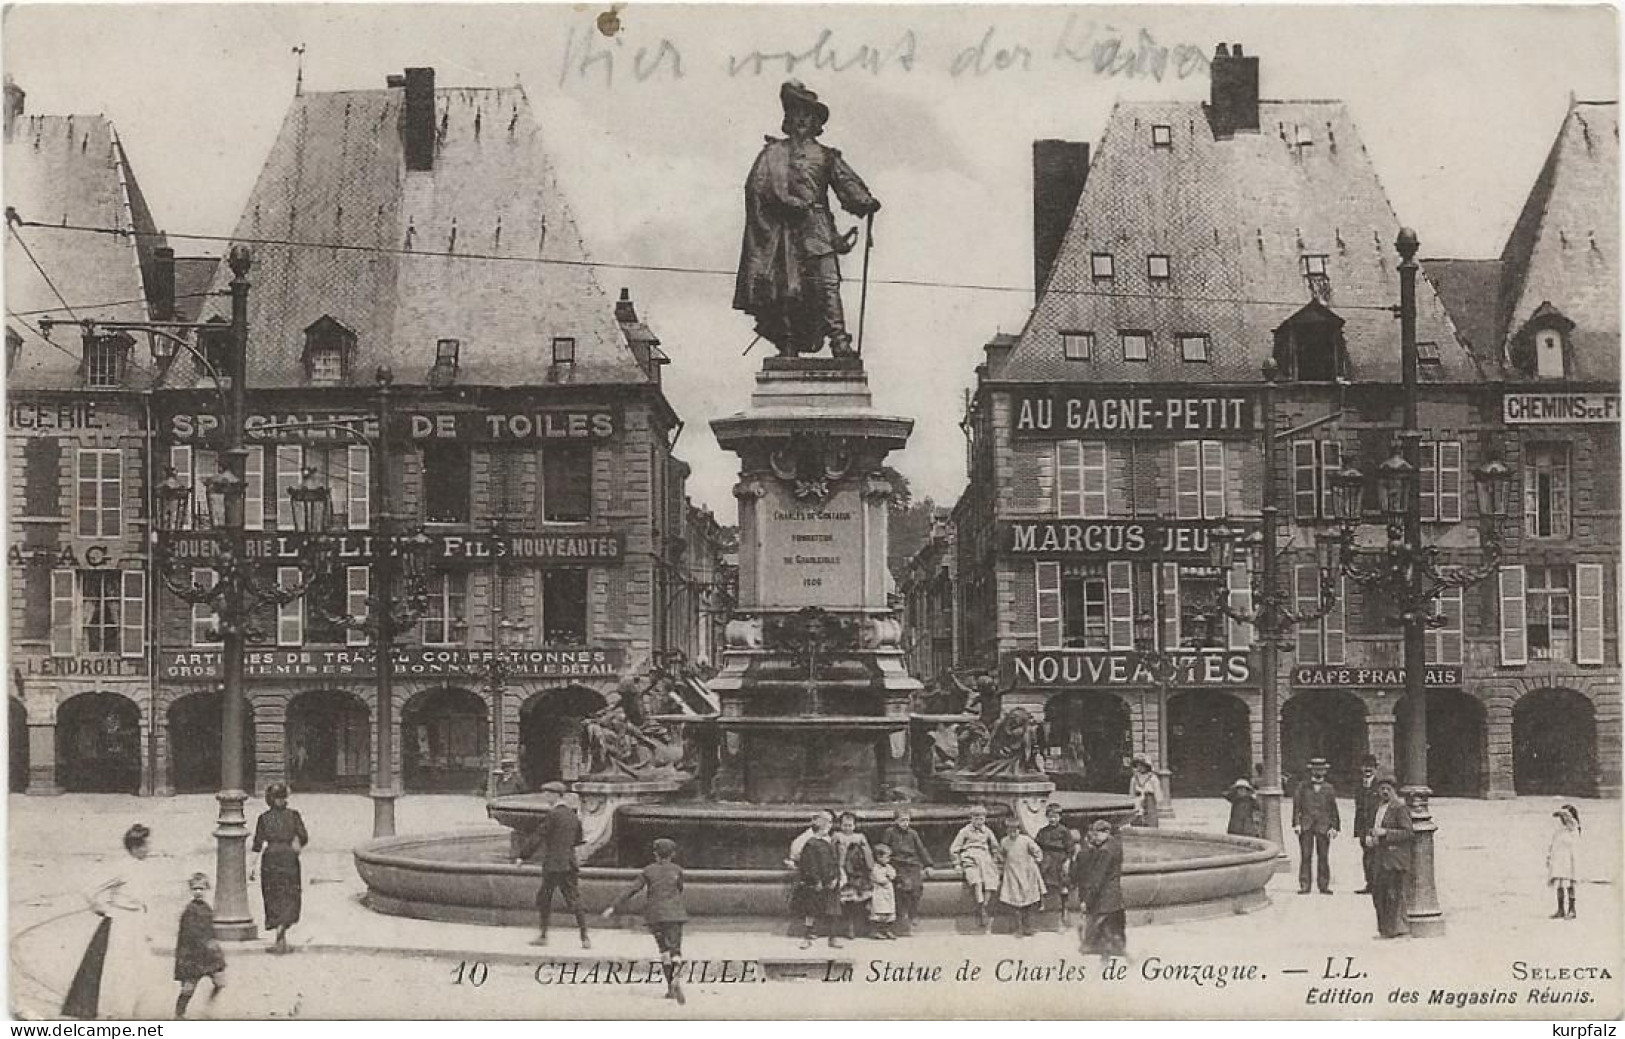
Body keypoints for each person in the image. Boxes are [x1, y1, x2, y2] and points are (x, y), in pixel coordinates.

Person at [734, 80, 881, 358]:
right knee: (787, 288)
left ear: (816, 122)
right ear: (788, 119)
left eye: (807, 114)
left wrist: (864, 201)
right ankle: (787, 341)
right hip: (782, 231)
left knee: (827, 284)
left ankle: (839, 341)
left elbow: (846, 182)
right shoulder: (772, 154)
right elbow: (756, 187)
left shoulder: (826, 156)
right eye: (795, 113)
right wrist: (786, 203)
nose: (801, 119)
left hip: (817, 229)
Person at [63, 823, 168, 1019]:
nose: (150, 848)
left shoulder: (142, 866)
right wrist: (102, 909)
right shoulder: (121, 867)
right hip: (122, 922)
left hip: (137, 921)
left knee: (141, 967)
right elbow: (89, 888)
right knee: (122, 968)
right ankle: (120, 1013)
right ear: (136, 847)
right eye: (146, 845)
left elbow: (144, 899)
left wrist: (148, 927)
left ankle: (132, 1011)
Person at [602, 838, 688, 1004]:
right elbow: (680, 888)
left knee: (663, 950)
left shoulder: (648, 871)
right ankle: (677, 973)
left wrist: (613, 907)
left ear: (655, 854)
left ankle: (670, 986)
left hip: (655, 915)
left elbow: (632, 889)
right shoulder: (677, 870)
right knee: (675, 949)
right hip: (675, 914)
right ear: (673, 854)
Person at [517, 781, 591, 949]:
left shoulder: (553, 815)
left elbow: (538, 836)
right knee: (574, 899)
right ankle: (585, 937)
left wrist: (523, 856)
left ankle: (543, 936)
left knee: (544, 898)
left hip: (553, 865)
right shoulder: (573, 815)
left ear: (556, 795)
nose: (545, 796)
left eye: (547, 793)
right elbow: (579, 839)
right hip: (569, 863)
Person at [251, 783, 308, 954]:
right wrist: (295, 843)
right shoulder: (294, 815)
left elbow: (257, 843)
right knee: (290, 892)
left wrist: (251, 866)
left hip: (271, 858)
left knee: (272, 893)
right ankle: (284, 927)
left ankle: (278, 930)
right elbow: (303, 836)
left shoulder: (263, 818)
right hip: (289, 857)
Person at [1363, 776, 1414, 938]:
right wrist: (1370, 837)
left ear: (1394, 791)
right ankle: (1384, 929)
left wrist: (1386, 833)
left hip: (1394, 858)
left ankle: (1393, 929)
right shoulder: (1378, 807)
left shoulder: (1399, 808)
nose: (1384, 792)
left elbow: (1408, 832)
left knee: (1393, 895)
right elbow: (1373, 827)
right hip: (1379, 857)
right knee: (1379, 894)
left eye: (1388, 789)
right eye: (1382, 789)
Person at [173, 873, 226, 1019]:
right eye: (195, 889)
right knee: (188, 988)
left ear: (206, 889)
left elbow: (210, 930)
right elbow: (187, 935)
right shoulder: (189, 911)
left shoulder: (207, 908)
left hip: (208, 954)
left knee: (220, 981)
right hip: (193, 955)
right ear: (191, 890)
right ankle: (179, 1013)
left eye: (201, 889)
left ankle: (208, 1008)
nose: (198, 892)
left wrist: (215, 947)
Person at [1071, 820, 1126, 959]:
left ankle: (1097, 949)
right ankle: (1117, 949)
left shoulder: (1104, 851)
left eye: (1097, 835)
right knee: (1114, 923)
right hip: (1114, 893)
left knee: (1099, 922)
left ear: (1106, 832)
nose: (1094, 838)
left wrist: (1087, 900)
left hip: (1104, 896)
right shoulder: (1115, 844)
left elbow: (1098, 879)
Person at [879, 808, 934, 936]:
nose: (905, 823)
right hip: (897, 864)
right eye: (902, 820)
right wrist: (884, 864)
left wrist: (928, 864)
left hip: (912, 864)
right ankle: (902, 915)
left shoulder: (913, 834)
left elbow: (921, 849)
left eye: (907, 820)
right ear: (896, 821)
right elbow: (884, 848)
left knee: (917, 887)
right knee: (904, 887)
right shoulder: (890, 832)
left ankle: (913, 912)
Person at [949, 803, 1002, 932]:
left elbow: (995, 846)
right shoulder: (965, 831)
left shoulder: (987, 831)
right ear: (971, 819)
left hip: (985, 858)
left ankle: (984, 906)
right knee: (976, 881)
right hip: (970, 858)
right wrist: (956, 863)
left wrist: (995, 858)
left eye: (981, 818)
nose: (979, 821)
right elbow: (954, 848)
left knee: (991, 883)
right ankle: (980, 905)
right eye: (976, 818)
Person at [1291, 757, 1340, 894]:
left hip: (1323, 826)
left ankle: (1323, 885)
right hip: (1306, 825)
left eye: (1321, 769)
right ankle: (1305, 885)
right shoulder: (1302, 786)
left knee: (1323, 856)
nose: (1318, 772)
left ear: (1325, 771)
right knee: (1306, 855)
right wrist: (1296, 823)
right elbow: (1297, 806)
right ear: (1311, 770)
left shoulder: (1329, 788)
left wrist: (1335, 827)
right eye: (1316, 769)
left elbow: (1333, 809)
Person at [793, 813, 842, 948]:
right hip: (817, 883)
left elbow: (835, 862)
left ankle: (833, 937)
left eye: (830, 824)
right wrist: (816, 881)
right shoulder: (811, 844)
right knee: (811, 911)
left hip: (831, 881)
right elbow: (809, 865)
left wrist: (836, 878)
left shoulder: (831, 842)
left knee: (833, 910)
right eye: (826, 824)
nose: (829, 827)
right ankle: (807, 937)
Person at [997, 819, 1046, 937]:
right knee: (1014, 901)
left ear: (1019, 830)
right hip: (1012, 873)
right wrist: (1002, 863)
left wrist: (1036, 860)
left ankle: (1028, 927)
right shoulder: (1004, 841)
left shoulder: (1025, 840)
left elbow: (1037, 851)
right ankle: (1017, 928)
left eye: (1015, 830)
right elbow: (1000, 854)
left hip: (1026, 871)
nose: (1012, 833)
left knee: (1028, 901)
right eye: (1010, 830)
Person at [832, 811, 873, 939]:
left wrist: (869, 866)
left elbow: (868, 856)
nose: (847, 828)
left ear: (855, 826)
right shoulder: (837, 836)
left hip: (858, 872)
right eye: (845, 825)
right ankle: (849, 927)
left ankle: (865, 927)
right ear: (840, 825)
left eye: (850, 825)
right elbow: (832, 853)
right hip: (843, 871)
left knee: (863, 899)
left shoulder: (860, 837)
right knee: (847, 901)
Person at [1034, 803, 1075, 928]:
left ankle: (1064, 908)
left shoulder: (1064, 831)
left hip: (1060, 858)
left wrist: (1067, 861)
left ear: (1060, 817)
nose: (1053, 819)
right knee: (1039, 878)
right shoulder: (1043, 831)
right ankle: (1041, 903)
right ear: (1047, 817)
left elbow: (1070, 848)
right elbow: (1037, 845)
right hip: (1046, 858)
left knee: (1063, 883)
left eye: (1056, 817)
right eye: (1051, 817)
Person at [1351, 754, 1381, 895]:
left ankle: (1377, 885)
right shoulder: (1359, 786)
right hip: (1363, 828)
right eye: (1365, 767)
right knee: (1367, 856)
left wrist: (1373, 830)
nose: (1368, 770)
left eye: (1371, 767)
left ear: (1376, 769)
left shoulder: (1380, 786)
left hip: (1376, 828)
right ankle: (1370, 884)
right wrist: (1359, 831)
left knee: (1376, 856)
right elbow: (1359, 809)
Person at [1547, 804, 1582, 920]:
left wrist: (1564, 812)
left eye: (1565, 816)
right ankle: (1560, 909)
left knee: (1569, 884)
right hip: (1559, 859)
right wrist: (1549, 857)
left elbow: (1571, 821)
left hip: (1569, 860)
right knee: (1560, 884)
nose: (1563, 819)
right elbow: (1553, 844)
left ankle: (1572, 909)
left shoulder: (1573, 828)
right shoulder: (1559, 830)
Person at [869, 844, 899, 940]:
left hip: (888, 891)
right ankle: (876, 931)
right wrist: (886, 878)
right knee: (879, 911)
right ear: (878, 857)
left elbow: (893, 874)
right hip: (879, 891)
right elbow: (878, 878)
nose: (888, 859)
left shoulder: (888, 867)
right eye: (886, 857)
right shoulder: (875, 868)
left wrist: (889, 875)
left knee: (889, 911)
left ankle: (887, 930)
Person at [1128, 755, 1161, 828]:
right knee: (1137, 816)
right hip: (1138, 799)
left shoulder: (1152, 777)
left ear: (1147, 766)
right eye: (1138, 765)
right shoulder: (1134, 778)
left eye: (1142, 765)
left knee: (1151, 817)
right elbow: (1132, 792)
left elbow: (1157, 791)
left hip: (1149, 799)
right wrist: (1132, 799)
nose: (1140, 767)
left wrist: (1158, 801)